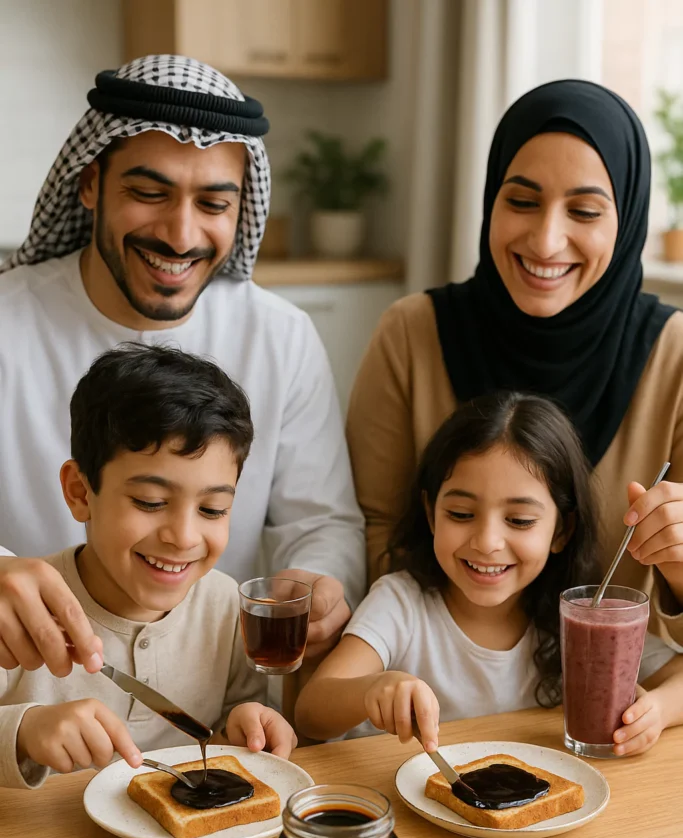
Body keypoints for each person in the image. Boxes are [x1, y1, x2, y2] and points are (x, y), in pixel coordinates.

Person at [0, 54, 364, 679]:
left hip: (207, 684)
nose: (180, 233)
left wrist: (319, 581)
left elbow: (321, 519)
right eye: (148, 193)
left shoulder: (281, 337)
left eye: (214, 204)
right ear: (89, 184)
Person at [346, 79, 683, 648]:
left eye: (584, 211)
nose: (547, 241)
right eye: (522, 201)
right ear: (489, 202)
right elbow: (371, 536)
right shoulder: (411, 333)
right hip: (437, 699)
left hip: (615, 713)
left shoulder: (674, 357)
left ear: (625, 223)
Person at [298, 393, 683, 755]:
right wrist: (372, 690)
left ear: (561, 531)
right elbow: (311, 710)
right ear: (431, 513)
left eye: (519, 520)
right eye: (461, 515)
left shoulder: (580, 617)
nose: (487, 542)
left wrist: (660, 710)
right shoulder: (401, 602)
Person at [0, 343, 297, 789]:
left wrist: (243, 727)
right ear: (81, 492)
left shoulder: (224, 605)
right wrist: (24, 733)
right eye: (150, 502)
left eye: (213, 509)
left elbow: (225, 730)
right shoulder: (19, 602)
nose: (183, 536)